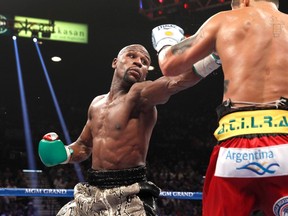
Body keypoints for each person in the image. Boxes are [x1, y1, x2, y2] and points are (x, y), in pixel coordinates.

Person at [38, 44, 220, 215]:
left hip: (129, 194)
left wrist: (215, 56)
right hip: (92, 191)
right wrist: (64, 153)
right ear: (115, 62)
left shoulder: (140, 96)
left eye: (145, 62)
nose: (139, 62)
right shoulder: (96, 104)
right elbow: (84, 145)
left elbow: (175, 82)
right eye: (132, 56)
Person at [151, 0, 288, 215]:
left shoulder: (224, 20)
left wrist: (166, 42)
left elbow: (169, 65)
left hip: (234, 146)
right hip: (284, 136)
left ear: (244, 1)